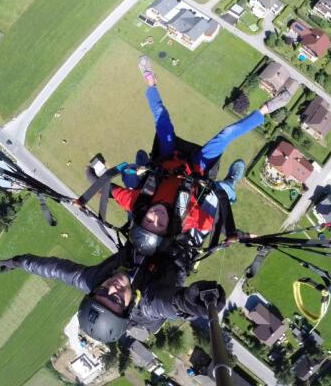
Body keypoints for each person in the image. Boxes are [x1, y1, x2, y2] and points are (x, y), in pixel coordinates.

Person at [94, 56, 291, 255]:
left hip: (168, 161)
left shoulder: (139, 204)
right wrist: (237, 234)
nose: (156, 216)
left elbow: (109, 190)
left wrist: (93, 184)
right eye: (161, 223)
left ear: (142, 215)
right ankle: (266, 110)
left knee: (162, 120)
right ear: (168, 228)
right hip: (195, 169)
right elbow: (216, 221)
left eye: (148, 220)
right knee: (225, 135)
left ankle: (150, 82)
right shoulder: (187, 218)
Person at [0, 247, 225, 343]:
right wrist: (192, 302)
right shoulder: (147, 304)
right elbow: (170, 303)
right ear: (127, 309)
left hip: (147, 241)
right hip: (178, 252)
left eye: (103, 291)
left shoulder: (93, 280)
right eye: (115, 298)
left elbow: (54, 269)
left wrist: (19, 261)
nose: (112, 287)